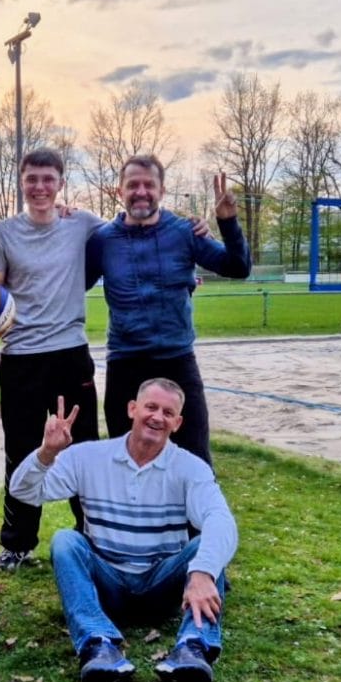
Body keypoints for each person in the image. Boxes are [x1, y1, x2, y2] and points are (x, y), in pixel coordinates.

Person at [9, 378, 238, 682]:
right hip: (108, 584)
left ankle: (193, 649)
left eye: (168, 412)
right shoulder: (87, 457)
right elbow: (23, 491)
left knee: (208, 548)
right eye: (151, 407)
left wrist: (202, 572)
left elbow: (221, 520)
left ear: (178, 422)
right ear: (133, 409)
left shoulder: (190, 467)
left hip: (161, 582)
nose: (158, 417)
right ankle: (98, 646)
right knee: (65, 540)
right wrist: (47, 452)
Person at [0, 148, 103, 571]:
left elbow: (131, 238)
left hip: (70, 353)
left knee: (83, 448)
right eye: (32, 178)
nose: (40, 187)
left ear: (61, 183)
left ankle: (92, 538)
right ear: (21, 181)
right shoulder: (2, 234)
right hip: (21, 358)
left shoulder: (83, 224)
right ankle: (17, 543)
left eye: (48, 179)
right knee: (21, 449)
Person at [86, 156, 252, 466]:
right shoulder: (102, 240)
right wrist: (62, 219)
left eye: (149, 185)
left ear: (162, 191)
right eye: (133, 185)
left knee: (195, 462)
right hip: (125, 363)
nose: (141, 191)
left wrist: (228, 222)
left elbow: (238, 267)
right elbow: (74, 283)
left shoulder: (184, 232)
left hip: (177, 361)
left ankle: (192, 517)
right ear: (119, 191)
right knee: (125, 462)